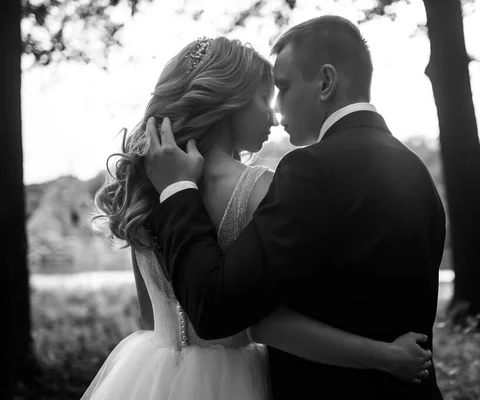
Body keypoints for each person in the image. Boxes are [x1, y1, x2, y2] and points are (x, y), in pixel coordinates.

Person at [83, 35, 433, 400]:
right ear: (228, 101)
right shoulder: (258, 187)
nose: (274, 116)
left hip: (147, 377)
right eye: (265, 99)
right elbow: (268, 324)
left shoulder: (143, 187)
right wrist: (386, 356)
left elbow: (149, 318)